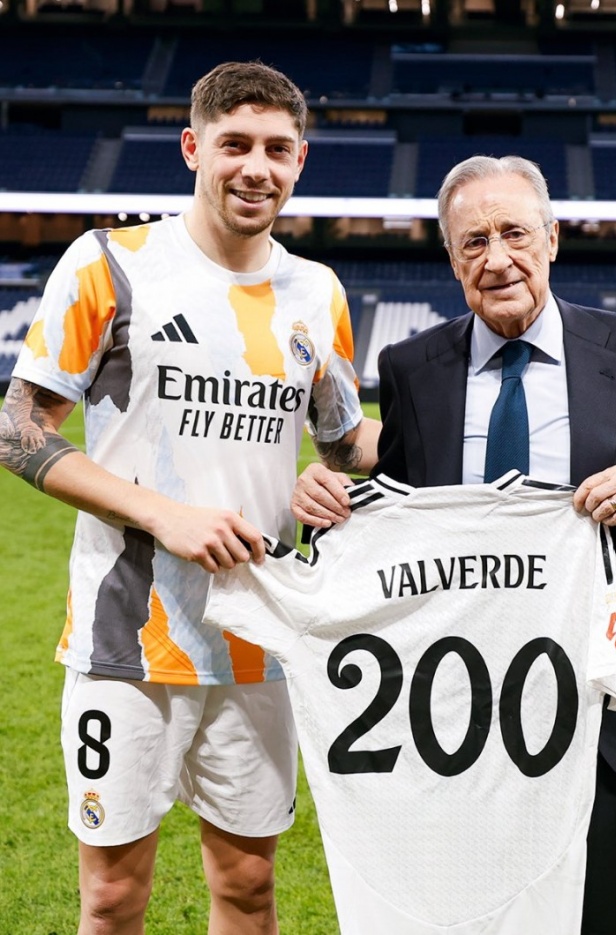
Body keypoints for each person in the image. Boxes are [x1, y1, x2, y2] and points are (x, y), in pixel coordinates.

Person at [293, 154, 616, 935]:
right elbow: (398, 513)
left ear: (552, 239)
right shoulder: (412, 368)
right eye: (473, 241)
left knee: (605, 915)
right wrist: (325, 502)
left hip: (605, 698)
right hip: (458, 707)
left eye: (514, 233)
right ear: (451, 258)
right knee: (467, 913)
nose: (496, 257)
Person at [0, 60, 378, 935]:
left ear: (301, 160)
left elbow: (343, 442)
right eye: (234, 144)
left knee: (248, 889)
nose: (256, 168)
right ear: (192, 148)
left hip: (260, 638)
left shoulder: (316, 291)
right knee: (112, 898)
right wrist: (161, 512)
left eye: (277, 149)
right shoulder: (110, 263)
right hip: (127, 640)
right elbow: (18, 429)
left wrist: (469, 431)